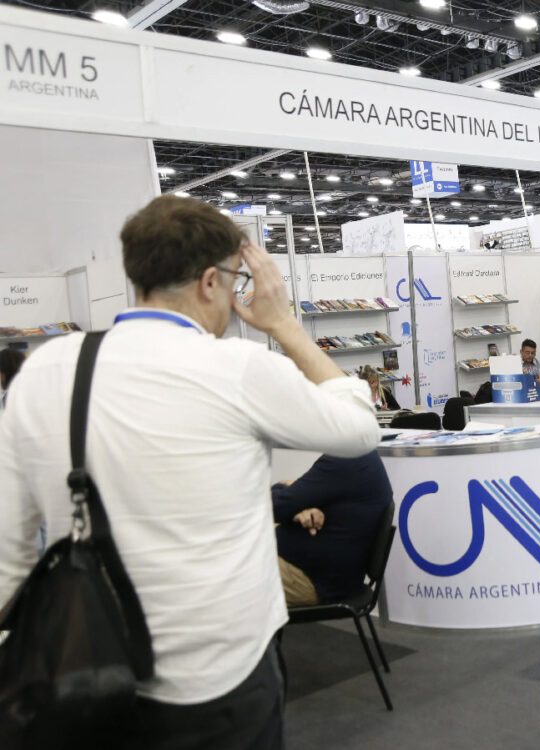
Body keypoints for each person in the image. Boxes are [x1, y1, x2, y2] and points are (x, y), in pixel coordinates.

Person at [0, 195, 380, 747]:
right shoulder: (238, 367)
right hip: (218, 682)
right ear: (210, 282)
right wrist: (284, 324)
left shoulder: (47, 370)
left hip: (76, 673)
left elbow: (9, 552)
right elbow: (360, 428)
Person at [272, 450, 392, 606]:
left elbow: (276, 506)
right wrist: (297, 508)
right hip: (327, 575)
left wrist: (283, 494)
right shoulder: (360, 454)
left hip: (315, 581)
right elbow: (289, 498)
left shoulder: (344, 460)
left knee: (233, 565)